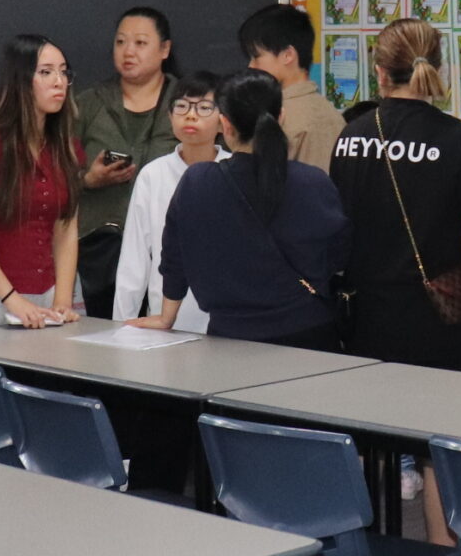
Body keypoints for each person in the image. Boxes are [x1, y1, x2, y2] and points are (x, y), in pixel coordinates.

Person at [329, 21, 461, 534]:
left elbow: (337, 225)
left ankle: (364, 555)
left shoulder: (352, 136)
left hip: (365, 315)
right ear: (439, 68)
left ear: (380, 73)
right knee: (439, 449)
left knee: (366, 440)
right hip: (439, 318)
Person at [132, 69, 350, 348]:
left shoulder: (197, 182)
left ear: (225, 124)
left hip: (228, 338)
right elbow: (339, 253)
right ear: (281, 117)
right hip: (309, 333)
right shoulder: (312, 181)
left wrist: (166, 317)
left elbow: (174, 258)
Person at [0, 35, 82, 331]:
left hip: (45, 295)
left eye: (63, 72)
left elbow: (66, 228)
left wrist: (62, 300)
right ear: (20, 80)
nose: (59, 82)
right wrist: (12, 299)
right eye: (45, 72)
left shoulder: (65, 147)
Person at [71, 7, 182, 318]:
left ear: (165, 49)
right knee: (108, 336)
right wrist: (88, 180)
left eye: (140, 43)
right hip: (100, 252)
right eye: (120, 42)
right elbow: (51, 174)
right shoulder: (87, 104)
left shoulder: (188, 103)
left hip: (171, 247)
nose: (128, 51)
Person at [114, 72, 227, 333]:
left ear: (224, 121)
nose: (191, 115)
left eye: (204, 107)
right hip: (164, 321)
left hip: (226, 322)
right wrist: (122, 325)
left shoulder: (234, 170)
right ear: (169, 116)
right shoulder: (153, 175)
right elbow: (134, 259)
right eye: (182, 106)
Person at [238, 2, 345, 170]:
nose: (251, 66)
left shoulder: (289, 116)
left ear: (287, 55)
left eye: (256, 57)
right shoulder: (329, 112)